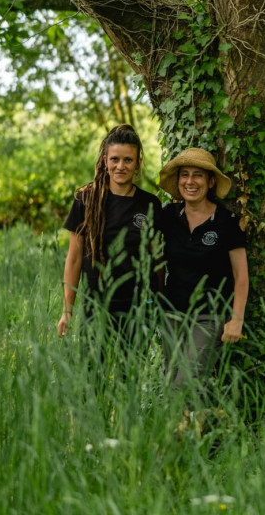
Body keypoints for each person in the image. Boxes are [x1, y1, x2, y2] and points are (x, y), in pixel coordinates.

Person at [58, 124, 163, 365]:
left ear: (138, 162)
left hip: (138, 307)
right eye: (115, 159)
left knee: (131, 379)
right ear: (105, 160)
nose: (120, 166)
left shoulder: (150, 205)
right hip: (97, 306)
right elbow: (74, 258)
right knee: (92, 378)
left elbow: (156, 259)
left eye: (128, 160)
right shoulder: (86, 199)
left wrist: (157, 304)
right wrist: (67, 309)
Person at [157, 148, 248, 401]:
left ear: (210, 182)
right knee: (171, 378)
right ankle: (190, 434)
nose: (189, 181)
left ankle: (173, 435)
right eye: (184, 175)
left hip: (209, 316)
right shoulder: (167, 217)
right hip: (172, 314)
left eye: (198, 175)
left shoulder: (226, 222)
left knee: (185, 381)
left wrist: (236, 319)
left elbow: (241, 275)